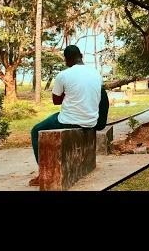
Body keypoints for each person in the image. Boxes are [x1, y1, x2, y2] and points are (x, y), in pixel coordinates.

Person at [28, 45, 103, 186]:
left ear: (67, 60)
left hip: (69, 119)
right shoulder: (96, 74)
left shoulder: (64, 75)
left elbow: (56, 101)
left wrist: (67, 94)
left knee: (36, 130)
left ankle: (43, 173)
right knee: (56, 117)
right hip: (91, 120)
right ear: (81, 55)